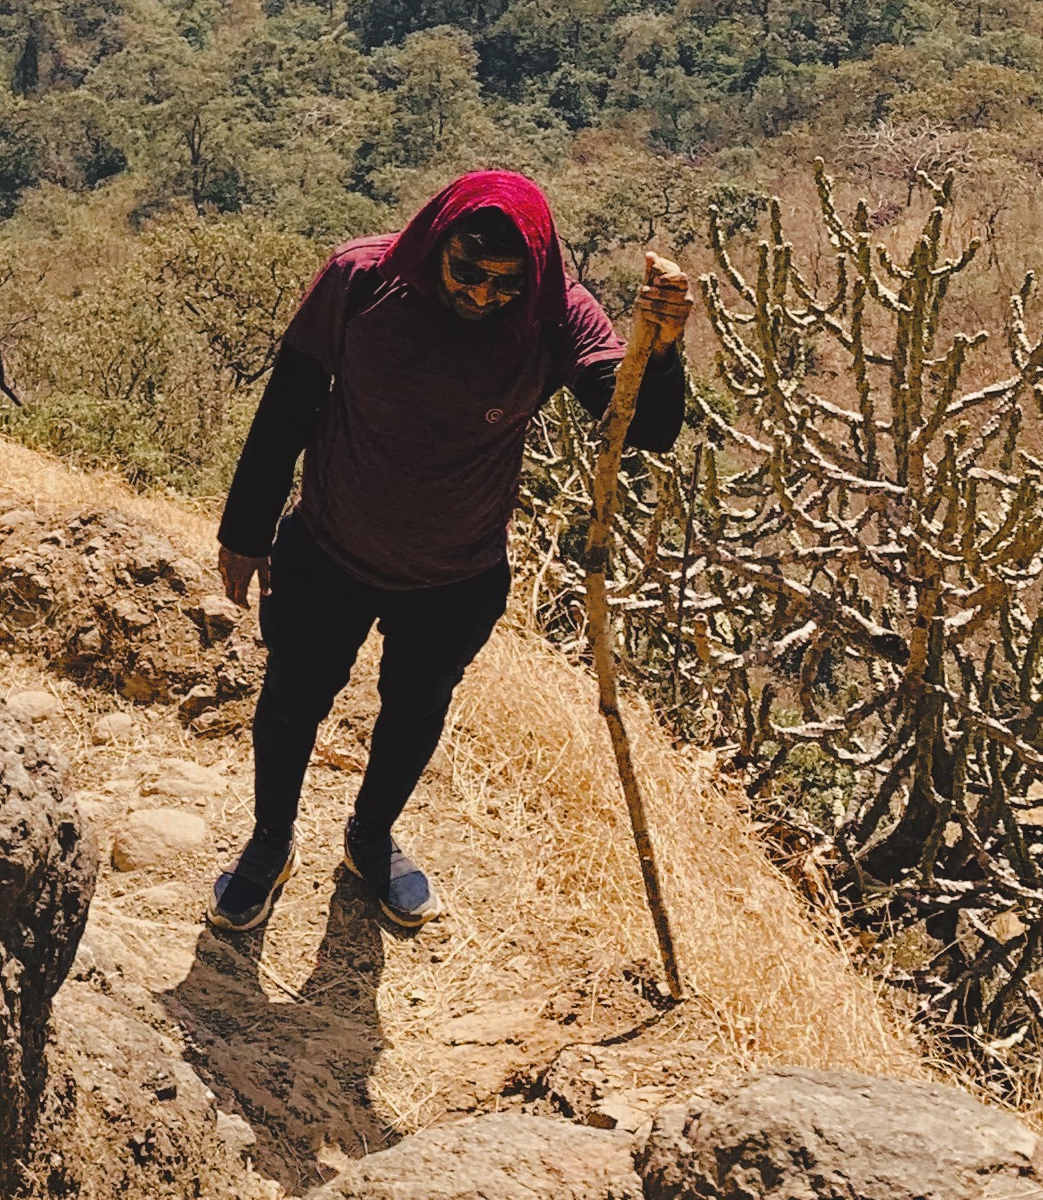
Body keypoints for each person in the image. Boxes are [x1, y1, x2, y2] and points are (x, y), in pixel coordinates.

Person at [208, 169, 690, 936]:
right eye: (465, 271)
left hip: (454, 573)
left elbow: (642, 425)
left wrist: (659, 354)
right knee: (292, 702)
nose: (480, 295)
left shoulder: (555, 313)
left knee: (414, 712)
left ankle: (370, 840)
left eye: (504, 282)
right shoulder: (363, 280)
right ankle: (270, 844)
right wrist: (245, 529)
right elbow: (290, 402)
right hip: (331, 545)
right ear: (437, 243)